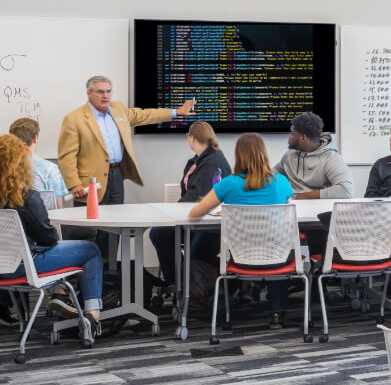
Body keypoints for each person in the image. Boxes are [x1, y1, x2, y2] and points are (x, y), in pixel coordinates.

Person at [57, 75, 195, 254]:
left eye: (108, 91)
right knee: (89, 230)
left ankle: (110, 273)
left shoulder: (118, 109)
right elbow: (66, 155)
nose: (105, 96)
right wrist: (74, 183)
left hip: (116, 176)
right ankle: (88, 274)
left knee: (114, 227)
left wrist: (177, 112)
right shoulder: (74, 119)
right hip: (89, 183)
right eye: (100, 92)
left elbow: (144, 115)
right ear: (89, 93)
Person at [0, 134, 104, 341]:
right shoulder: (26, 196)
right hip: (23, 267)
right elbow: (48, 238)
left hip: (3, 271)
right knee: (90, 250)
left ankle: (60, 293)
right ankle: (93, 316)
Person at [188, 133, 294, 329]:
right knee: (276, 251)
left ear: (239, 156)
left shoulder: (228, 184)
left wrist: (229, 213)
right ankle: (277, 312)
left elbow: (195, 213)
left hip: (240, 256)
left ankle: (220, 302)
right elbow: (285, 212)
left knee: (204, 242)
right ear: (264, 154)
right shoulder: (282, 182)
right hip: (276, 253)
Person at [149, 122, 232, 287]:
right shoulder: (199, 159)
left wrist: (174, 211)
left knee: (160, 233)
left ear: (192, 138)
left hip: (207, 224)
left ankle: (181, 282)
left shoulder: (213, 160)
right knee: (159, 233)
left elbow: (198, 195)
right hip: (195, 218)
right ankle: (178, 280)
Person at [273, 112, 354, 199]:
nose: (289, 136)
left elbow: (346, 190)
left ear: (303, 138)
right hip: (292, 207)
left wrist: (306, 196)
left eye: (292, 134)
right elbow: (270, 175)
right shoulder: (289, 155)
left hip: (318, 209)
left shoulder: (331, 158)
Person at [8, 117, 68, 208]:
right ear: (35, 138)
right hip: (42, 221)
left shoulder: (5, 167)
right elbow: (58, 208)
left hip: (9, 222)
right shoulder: (49, 169)